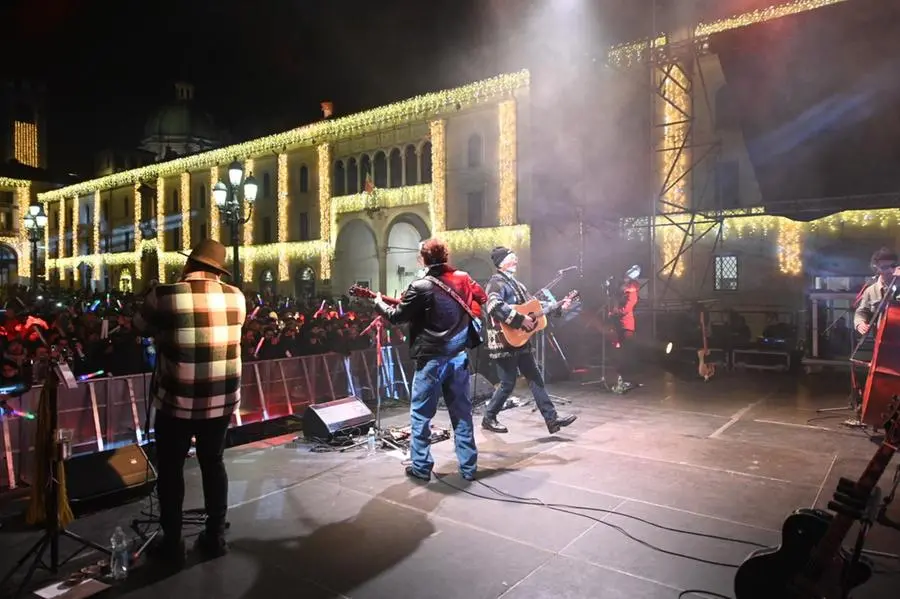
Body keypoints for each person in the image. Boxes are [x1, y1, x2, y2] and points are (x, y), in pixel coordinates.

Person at [133, 239, 246, 567]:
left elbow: (139, 327)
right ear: (218, 270)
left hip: (177, 402)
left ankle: (172, 543)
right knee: (214, 463)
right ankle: (215, 536)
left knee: (170, 470)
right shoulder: (236, 297)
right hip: (221, 400)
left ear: (189, 265)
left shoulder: (165, 295)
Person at [374, 239, 486, 482]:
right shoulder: (463, 278)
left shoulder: (420, 286)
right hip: (458, 356)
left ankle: (422, 467)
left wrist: (379, 304)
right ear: (446, 255)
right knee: (462, 413)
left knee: (421, 415)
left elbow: (396, 317)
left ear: (422, 259)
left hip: (431, 360)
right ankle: (468, 468)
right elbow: (482, 297)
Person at [481, 246, 576, 434]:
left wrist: (558, 307)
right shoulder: (496, 283)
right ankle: (488, 417)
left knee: (535, 378)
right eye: (511, 257)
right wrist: (519, 319)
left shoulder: (516, 284)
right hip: (503, 341)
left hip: (520, 340)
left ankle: (552, 419)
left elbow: (533, 305)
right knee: (508, 383)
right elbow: (493, 305)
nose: (516, 260)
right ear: (501, 262)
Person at [854, 247, 900, 336]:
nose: (890, 270)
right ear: (877, 269)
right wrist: (860, 323)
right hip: (882, 341)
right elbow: (862, 311)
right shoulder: (870, 291)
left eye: (893, 266)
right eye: (885, 267)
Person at [611, 270, 640, 393]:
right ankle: (621, 378)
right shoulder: (622, 293)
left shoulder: (632, 294)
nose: (624, 280)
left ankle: (625, 379)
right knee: (619, 352)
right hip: (620, 325)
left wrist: (615, 312)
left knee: (625, 352)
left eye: (627, 279)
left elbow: (627, 309)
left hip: (627, 326)